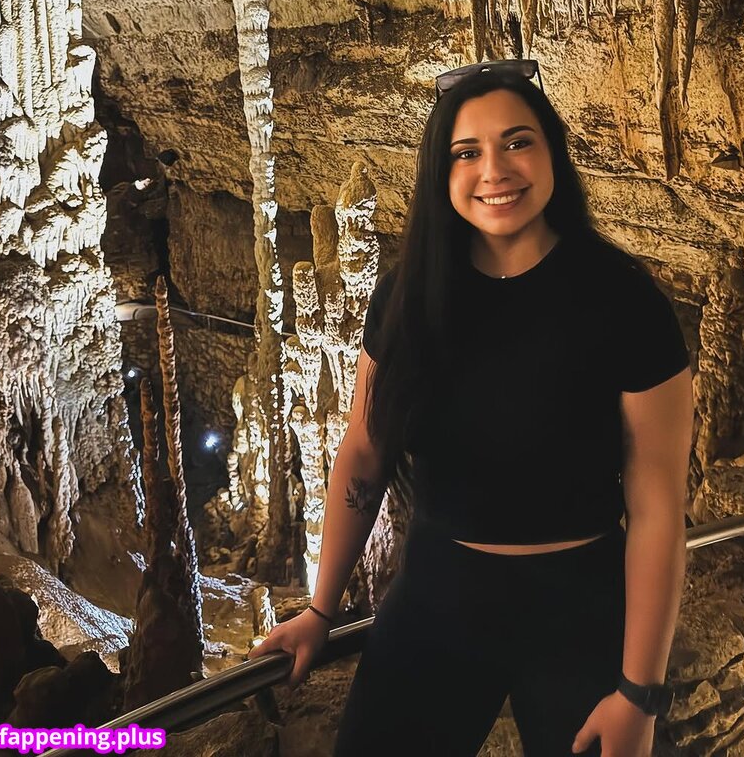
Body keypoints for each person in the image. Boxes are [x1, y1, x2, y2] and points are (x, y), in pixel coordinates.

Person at [249, 60, 694, 757]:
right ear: (441, 171)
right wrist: (319, 610)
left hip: (581, 600)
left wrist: (639, 694)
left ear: (552, 154)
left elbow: (657, 505)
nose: (495, 170)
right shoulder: (407, 297)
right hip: (440, 589)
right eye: (466, 152)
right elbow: (364, 451)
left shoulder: (624, 303)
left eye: (518, 142)